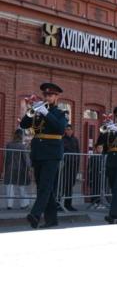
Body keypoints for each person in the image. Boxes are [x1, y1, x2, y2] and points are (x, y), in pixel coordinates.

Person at [20, 83, 68, 229]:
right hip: (38, 152)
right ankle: (52, 219)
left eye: (50, 95)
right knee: (44, 187)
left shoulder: (61, 113)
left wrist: (46, 114)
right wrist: (31, 111)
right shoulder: (38, 111)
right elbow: (23, 125)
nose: (47, 97)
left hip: (52, 153)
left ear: (56, 97)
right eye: (46, 95)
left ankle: (35, 214)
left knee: (45, 187)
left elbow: (60, 129)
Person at [4, 129, 31, 210]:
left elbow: (6, 157)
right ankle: (24, 204)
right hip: (20, 168)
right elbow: (26, 159)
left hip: (10, 167)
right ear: (21, 136)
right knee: (21, 186)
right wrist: (29, 168)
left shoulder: (8, 144)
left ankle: (9, 204)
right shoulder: (22, 146)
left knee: (9, 186)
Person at [59, 125, 80, 211]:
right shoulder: (62, 140)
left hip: (73, 165)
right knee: (62, 185)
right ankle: (58, 204)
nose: (68, 131)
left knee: (70, 185)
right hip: (65, 165)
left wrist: (77, 165)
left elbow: (78, 152)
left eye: (69, 129)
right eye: (67, 129)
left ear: (72, 130)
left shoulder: (75, 140)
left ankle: (68, 204)